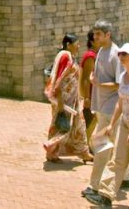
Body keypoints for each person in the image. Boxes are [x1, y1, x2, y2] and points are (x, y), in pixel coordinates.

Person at [88, 43, 129, 209]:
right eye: (120, 54)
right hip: (126, 123)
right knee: (118, 159)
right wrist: (112, 124)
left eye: (124, 54)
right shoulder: (124, 76)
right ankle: (106, 195)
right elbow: (120, 103)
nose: (121, 57)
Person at [82, 21, 129, 204]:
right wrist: (92, 79)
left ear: (107, 34)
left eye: (98, 34)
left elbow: (120, 84)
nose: (95, 38)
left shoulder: (115, 55)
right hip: (101, 106)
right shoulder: (101, 52)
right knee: (113, 145)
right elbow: (98, 77)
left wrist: (99, 84)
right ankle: (126, 178)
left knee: (102, 146)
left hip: (112, 108)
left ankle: (95, 186)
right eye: (94, 34)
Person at [43, 33, 92, 164]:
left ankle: (84, 152)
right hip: (64, 101)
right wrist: (59, 100)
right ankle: (51, 150)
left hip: (72, 99)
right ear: (69, 45)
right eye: (76, 44)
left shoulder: (68, 56)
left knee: (78, 125)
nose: (79, 46)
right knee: (61, 125)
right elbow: (59, 80)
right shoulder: (65, 56)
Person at [80, 31, 98, 140]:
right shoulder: (90, 56)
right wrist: (87, 98)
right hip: (91, 95)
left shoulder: (96, 55)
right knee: (91, 121)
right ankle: (85, 146)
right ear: (92, 41)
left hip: (95, 94)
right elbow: (86, 78)